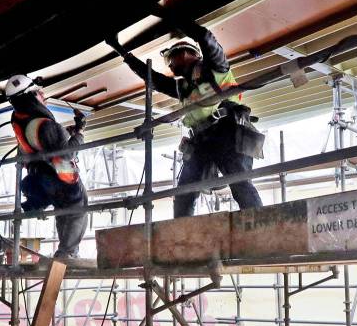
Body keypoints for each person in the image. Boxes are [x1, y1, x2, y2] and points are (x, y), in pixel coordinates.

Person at [106, 22, 264, 218]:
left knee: (240, 184)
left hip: (228, 132)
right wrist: (123, 52)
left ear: (186, 54)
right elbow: (153, 79)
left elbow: (206, 38)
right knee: (184, 192)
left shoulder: (216, 68)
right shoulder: (182, 87)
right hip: (202, 140)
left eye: (171, 60)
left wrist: (168, 15)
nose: (170, 66)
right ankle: (180, 234)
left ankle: (260, 223)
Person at [4, 75, 88, 258]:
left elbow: (43, 144)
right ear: (30, 96)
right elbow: (67, 155)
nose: (42, 94)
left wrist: (67, 134)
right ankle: (67, 254)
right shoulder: (46, 125)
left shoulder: (23, 120)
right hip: (59, 177)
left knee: (62, 212)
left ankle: (65, 253)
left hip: (41, 177)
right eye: (37, 92)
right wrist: (80, 132)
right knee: (77, 211)